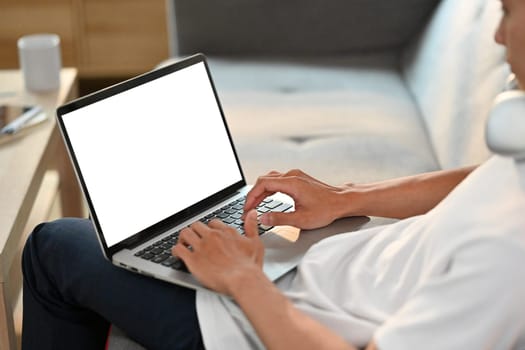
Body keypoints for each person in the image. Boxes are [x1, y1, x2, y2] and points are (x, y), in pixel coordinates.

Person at [21, 0, 525, 349]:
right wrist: (345, 197)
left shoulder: (507, 254)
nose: (497, 34)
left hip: (254, 325)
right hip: (315, 272)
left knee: (53, 246)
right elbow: (482, 177)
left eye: (506, 12)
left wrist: (242, 278)